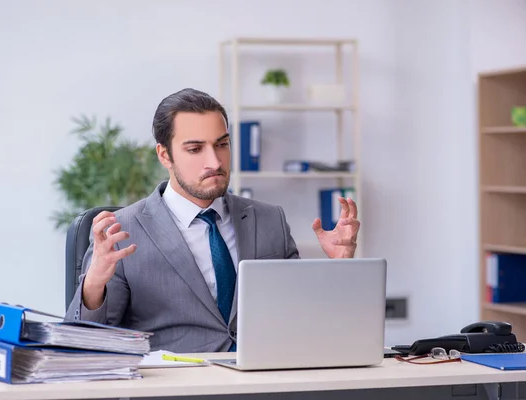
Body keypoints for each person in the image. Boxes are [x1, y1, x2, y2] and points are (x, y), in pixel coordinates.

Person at [65, 88, 360, 353]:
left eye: (222, 144)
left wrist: (338, 267)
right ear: (164, 155)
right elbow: (82, 343)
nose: (215, 162)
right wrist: (95, 284)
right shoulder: (123, 229)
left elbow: (304, 322)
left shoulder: (270, 220)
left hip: (263, 386)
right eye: (195, 149)